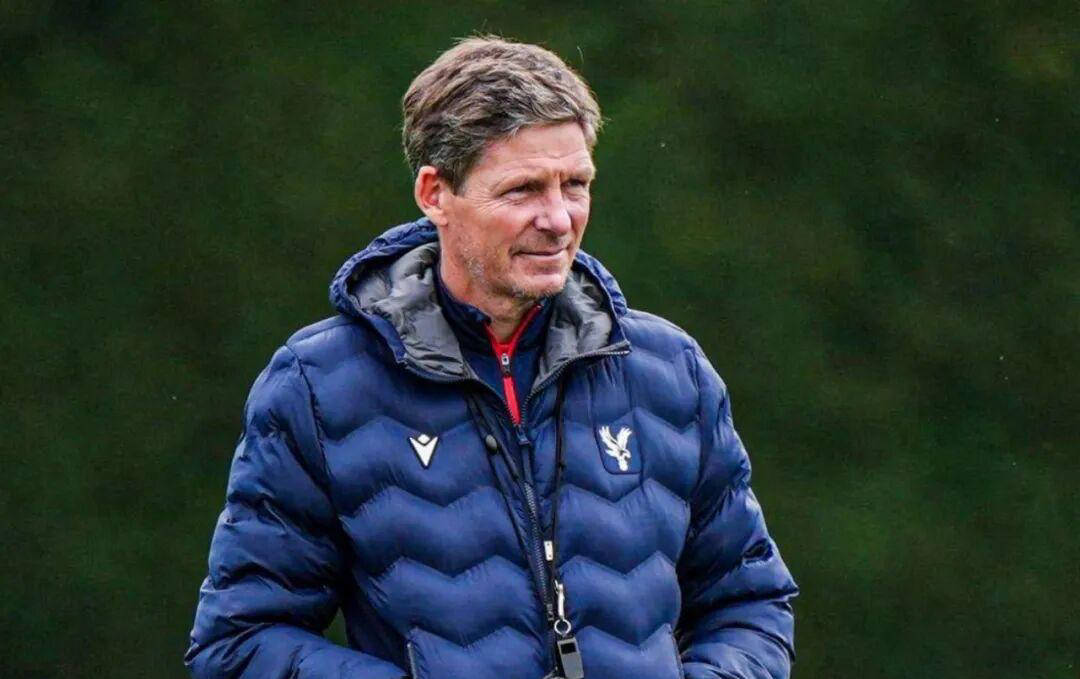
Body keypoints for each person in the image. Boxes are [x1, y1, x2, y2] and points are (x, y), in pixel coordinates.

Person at [185, 36, 798, 679]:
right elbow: (240, 641)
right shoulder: (317, 385)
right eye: (523, 190)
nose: (558, 219)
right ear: (435, 194)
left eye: (575, 184)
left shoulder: (670, 371)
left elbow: (750, 603)